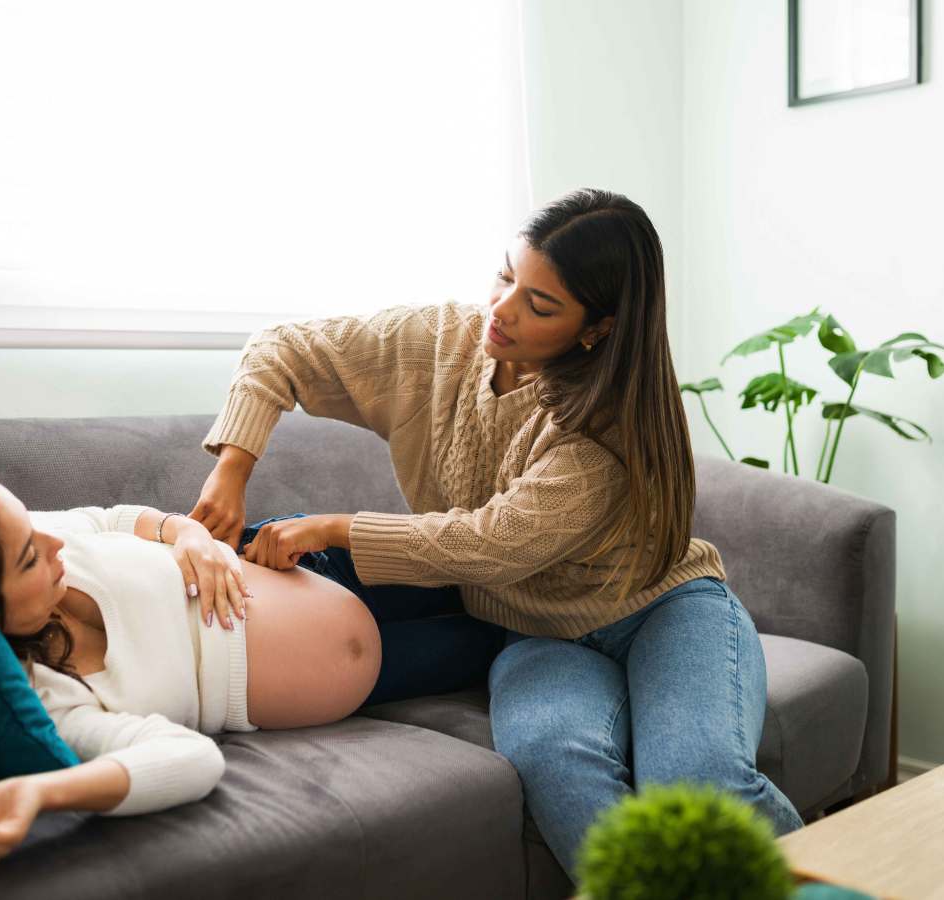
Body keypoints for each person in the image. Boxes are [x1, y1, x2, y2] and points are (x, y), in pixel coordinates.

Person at [188, 187, 805, 880]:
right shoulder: (440, 342)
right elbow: (285, 346)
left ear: (597, 328)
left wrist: (333, 528)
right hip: (536, 633)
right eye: (507, 276)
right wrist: (232, 469)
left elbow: (488, 543)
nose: (502, 311)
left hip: (665, 613)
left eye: (540, 305)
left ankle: (858, 879)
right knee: (559, 766)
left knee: (700, 787)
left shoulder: (602, 431)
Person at [0, 470, 503, 870]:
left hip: (302, 561)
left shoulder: (37, 540)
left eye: (33, 525)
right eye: (29, 557)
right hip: (373, 679)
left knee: (501, 568)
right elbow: (192, 761)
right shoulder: (53, 704)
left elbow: (108, 519)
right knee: (513, 626)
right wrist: (41, 793)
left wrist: (187, 535)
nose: (53, 544)